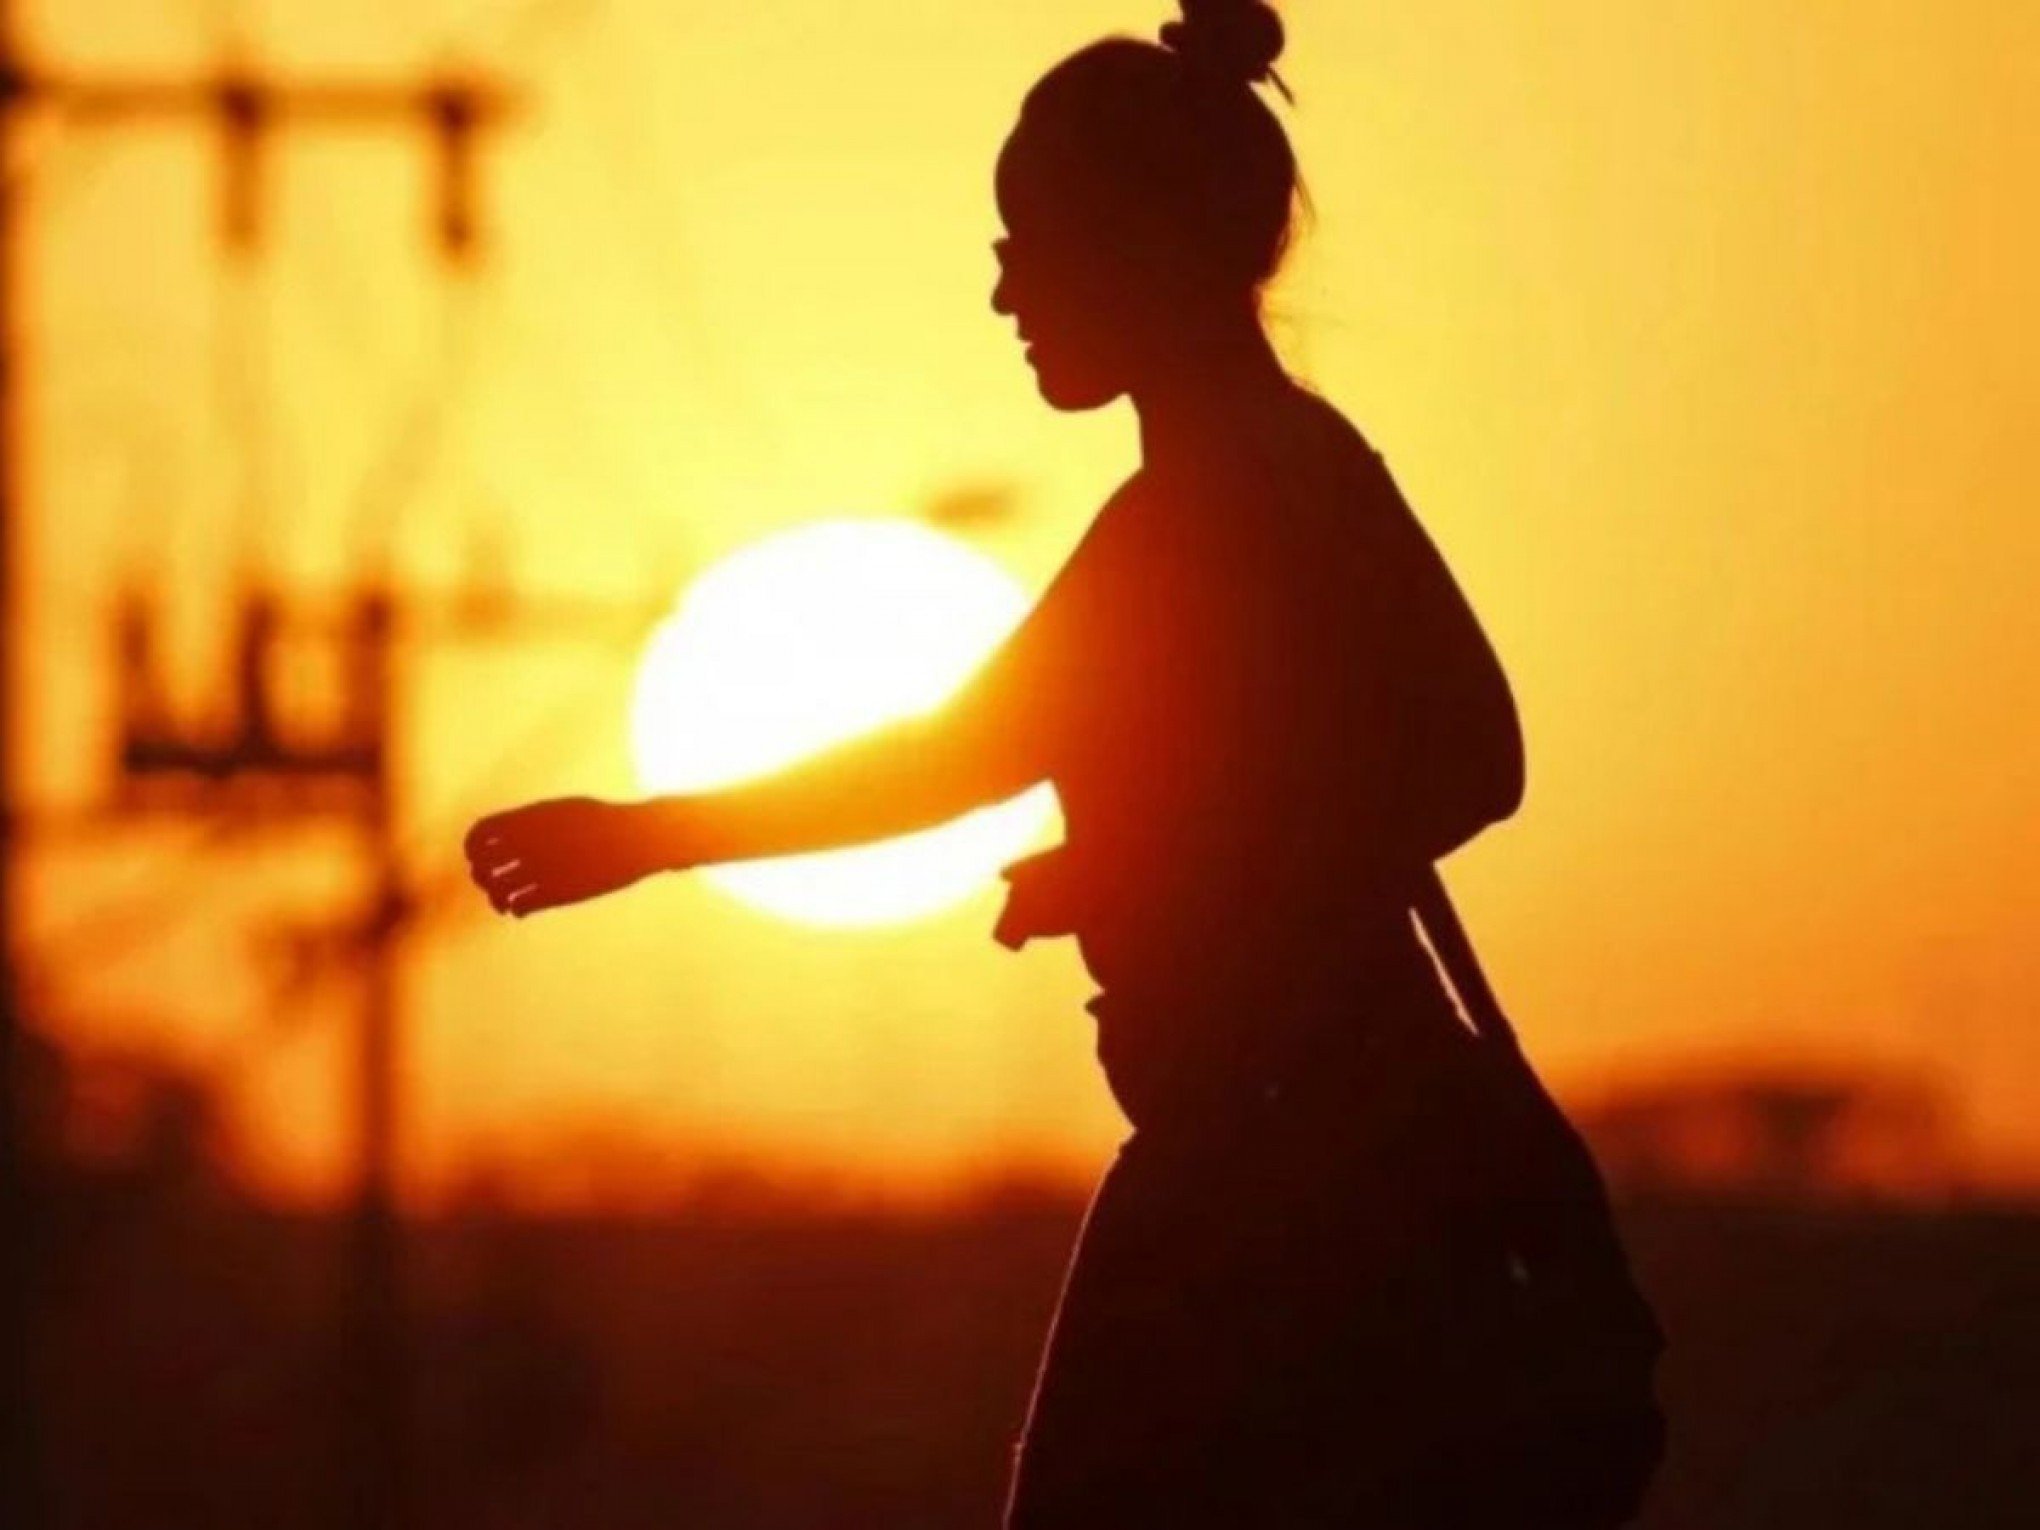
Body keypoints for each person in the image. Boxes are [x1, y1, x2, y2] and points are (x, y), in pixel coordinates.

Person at [466, 3, 1646, 1524]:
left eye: (1036, 238)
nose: (1007, 287)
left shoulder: (1254, 487)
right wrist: (646, 835)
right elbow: (969, 756)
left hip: (1306, 1172)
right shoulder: (1235, 487)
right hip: (1287, 1154)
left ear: (1145, 245)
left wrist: (647, 836)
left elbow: (1473, 757)